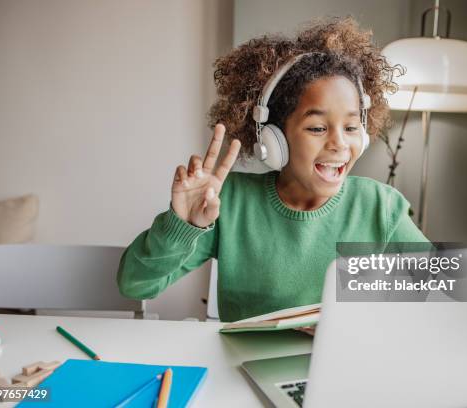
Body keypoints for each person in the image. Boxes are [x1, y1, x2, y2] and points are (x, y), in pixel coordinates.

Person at [117, 17, 428, 322]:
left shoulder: (379, 206)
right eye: (317, 128)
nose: (339, 144)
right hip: (244, 369)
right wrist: (182, 226)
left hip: (342, 367)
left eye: (350, 127)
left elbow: (446, 286)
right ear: (272, 138)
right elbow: (135, 284)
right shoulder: (229, 203)